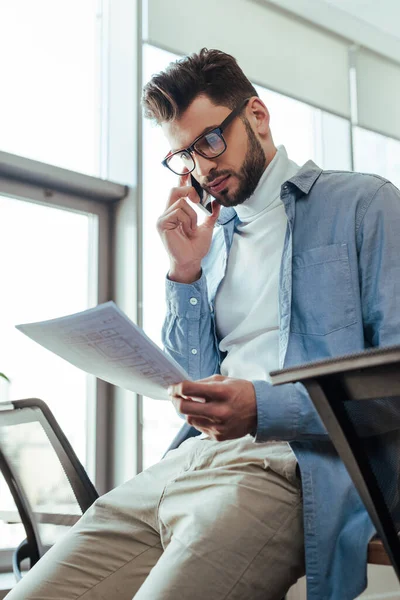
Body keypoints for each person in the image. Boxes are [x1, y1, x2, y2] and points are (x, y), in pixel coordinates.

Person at [6, 48, 400, 600]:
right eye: (184, 156)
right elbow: (192, 378)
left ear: (257, 117)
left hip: (282, 467)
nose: (201, 168)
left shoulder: (364, 205)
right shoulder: (211, 241)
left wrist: (262, 406)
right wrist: (184, 272)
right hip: (181, 467)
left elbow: (393, 385)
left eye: (210, 141)